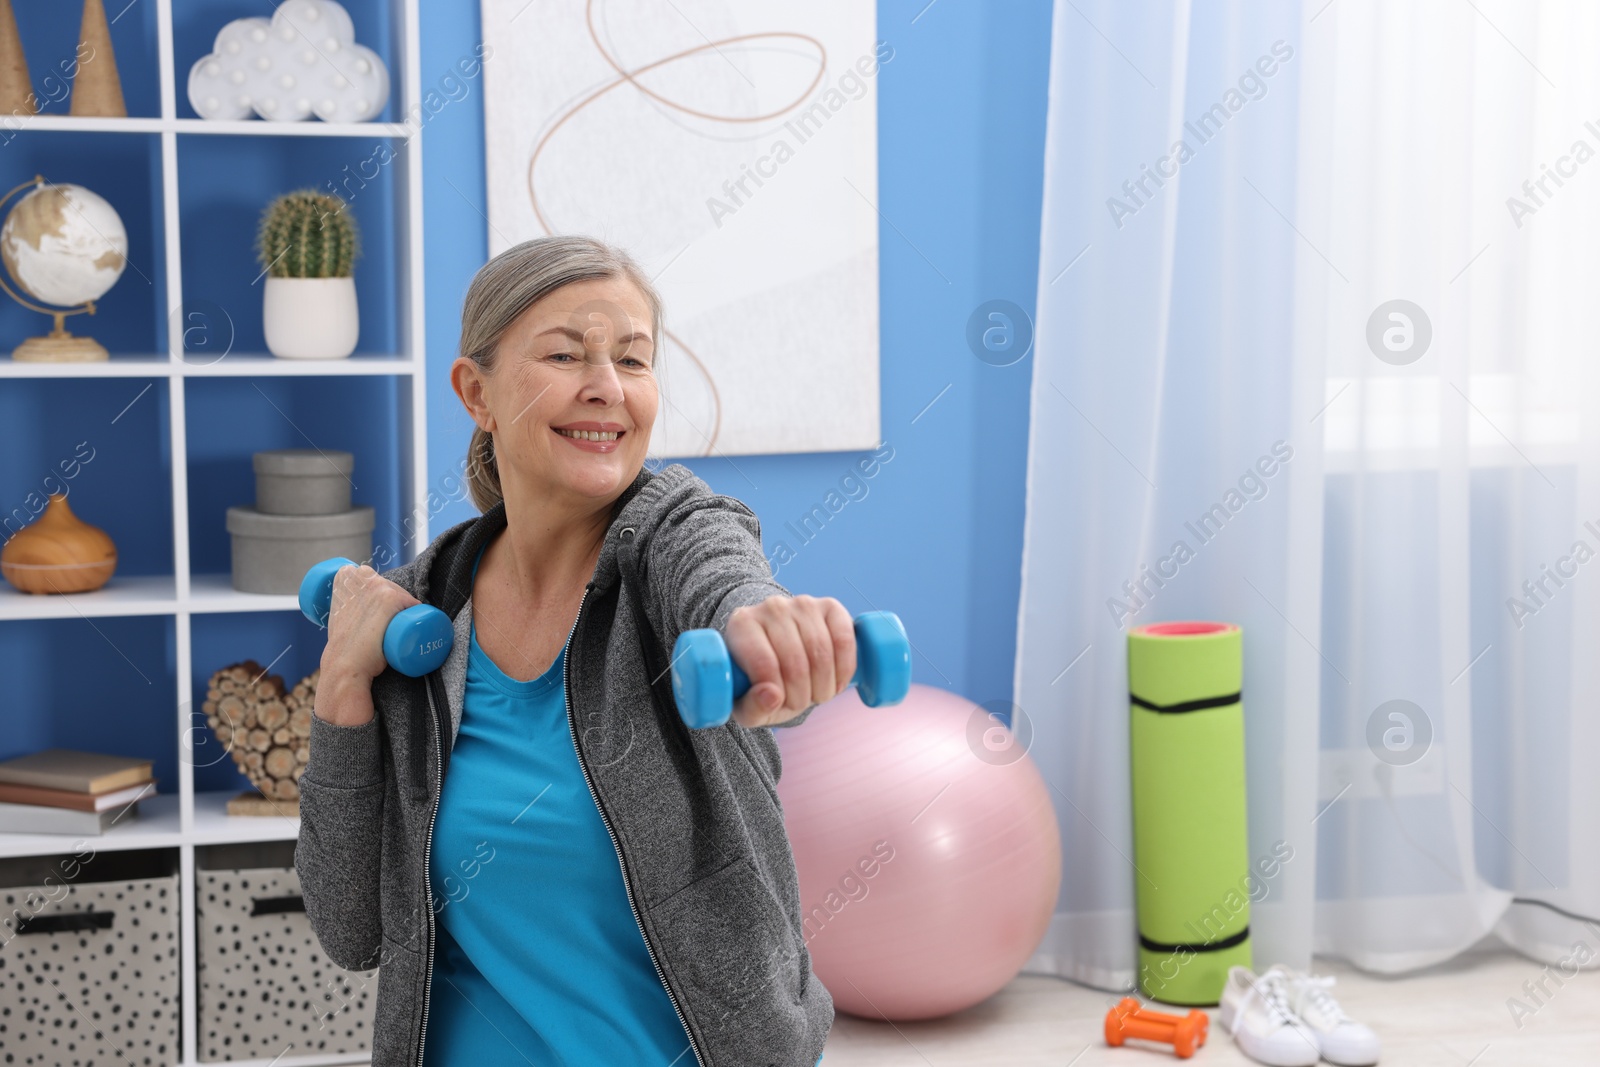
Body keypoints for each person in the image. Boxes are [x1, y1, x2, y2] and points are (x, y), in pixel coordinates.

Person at [294, 235, 840, 1066]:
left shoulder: (672, 537)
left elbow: (720, 567)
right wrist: (341, 683)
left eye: (633, 359)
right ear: (475, 392)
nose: (607, 388)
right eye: (565, 354)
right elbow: (351, 930)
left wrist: (756, 624)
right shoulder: (417, 622)